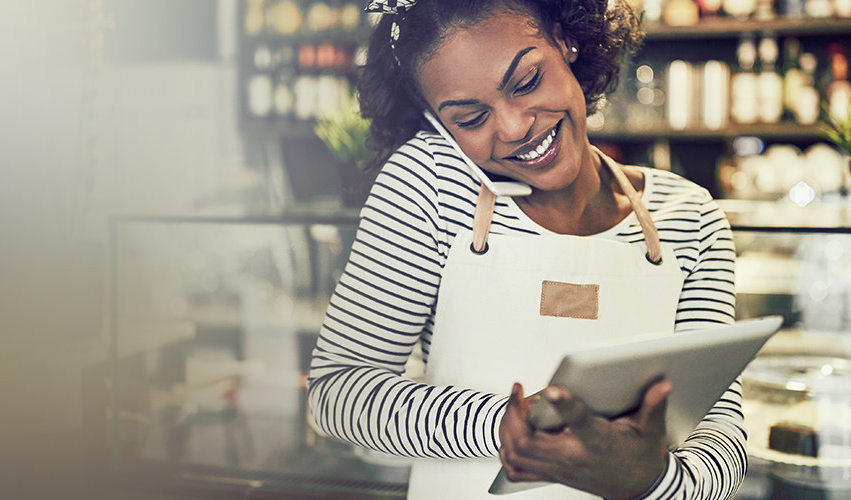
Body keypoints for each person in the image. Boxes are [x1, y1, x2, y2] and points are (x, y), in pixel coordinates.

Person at [306, 1, 743, 499]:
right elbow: (337, 393)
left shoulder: (689, 217)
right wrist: (504, 427)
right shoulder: (430, 185)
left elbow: (721, 441)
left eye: (527, 81)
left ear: (566, 40)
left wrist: (651, 480)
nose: (514, 128)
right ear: (437, 121)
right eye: (471, 118)